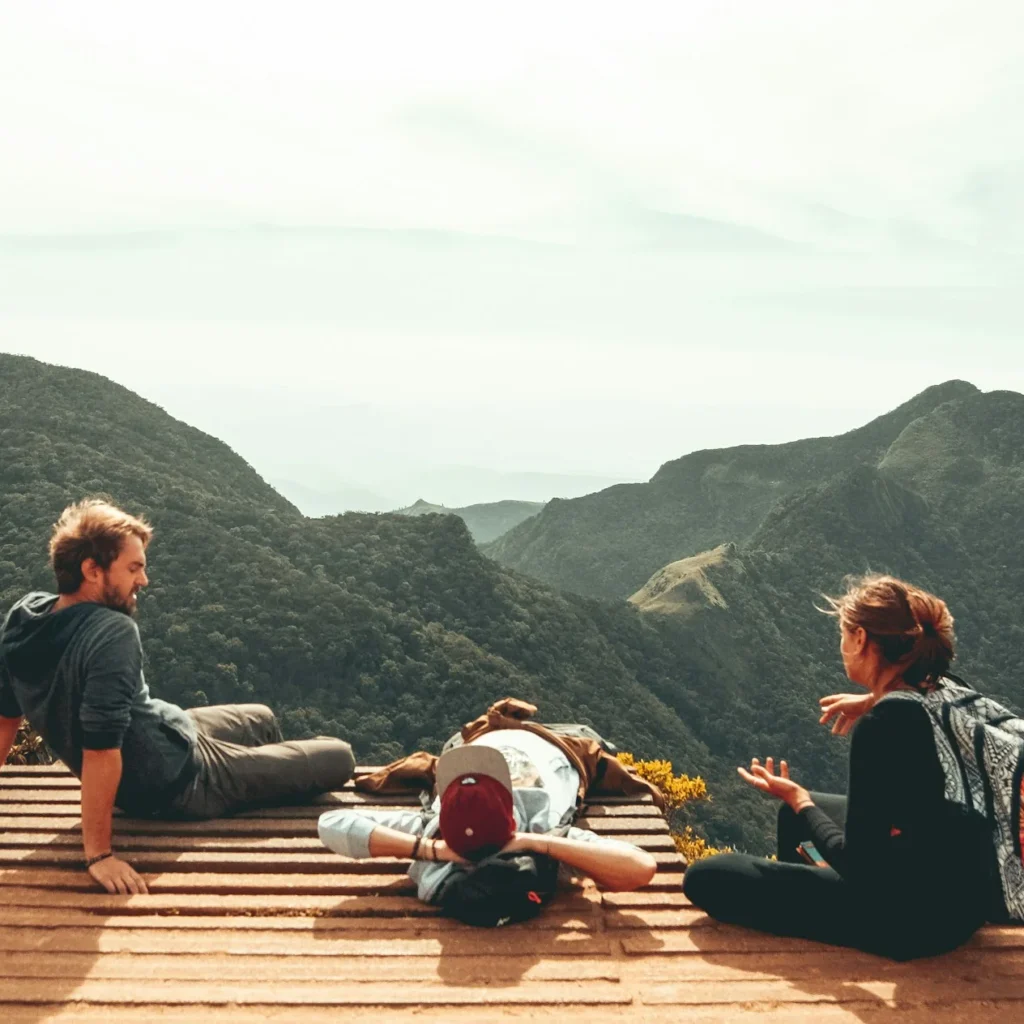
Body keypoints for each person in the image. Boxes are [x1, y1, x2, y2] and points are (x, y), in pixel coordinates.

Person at [0, 499, 355, 896]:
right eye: (134, 568)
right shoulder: (110, 633)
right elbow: (100, 749)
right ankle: (259, 780)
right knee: (340, 756)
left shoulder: (25, 616)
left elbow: (4, 715)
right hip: (179, 781)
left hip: (169, 731)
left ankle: (266, 774)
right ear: (91, 571)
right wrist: (99, 854)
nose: (145, 580)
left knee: (262, 717)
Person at [682, 573, 1003, 961]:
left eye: (844, 635)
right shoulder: (947, 686)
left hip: (914, 923)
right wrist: (873, 698)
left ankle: (825, 917)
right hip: (967, 901)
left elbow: (862, 869)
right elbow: (918, 711)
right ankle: (814, 905)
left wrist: (800, 798)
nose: (842, 645)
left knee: (707, 877)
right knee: (791, 814)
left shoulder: (881, 727)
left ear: (862, 639)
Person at [318, 722, 658, 917]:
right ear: (510, 806)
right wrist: (534, 842)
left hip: (472, 739)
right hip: (558, 742)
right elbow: (641, 868)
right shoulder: (542, 827)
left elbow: (330, 824)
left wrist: (432, 850)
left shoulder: (434, 828)